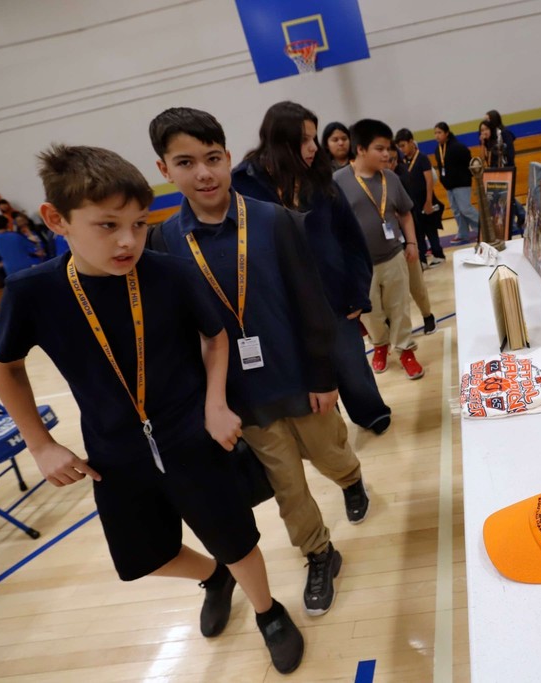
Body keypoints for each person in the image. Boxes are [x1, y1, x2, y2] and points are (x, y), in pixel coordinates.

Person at [0, 144, 305, 674]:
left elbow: (216, 338)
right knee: (146, 558)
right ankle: (212, 577)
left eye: (138, 224)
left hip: (191, 436)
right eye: (107, 225)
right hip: (113, 452)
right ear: (55, 220)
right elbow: (6, 367)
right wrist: (40, 444)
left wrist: (215, 404)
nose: (127, 241)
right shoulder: (33, 292)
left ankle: (268, 611)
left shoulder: (170, 273)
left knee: (236, 539)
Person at [149, 107, 369, 623]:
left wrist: (322, 375)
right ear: (164, 170)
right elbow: (184, 334)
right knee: (287, 485)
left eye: (212, 158)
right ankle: (319, 552)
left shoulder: (274, 221)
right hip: (246, 396)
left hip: (300, 377)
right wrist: (214, 401)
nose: (203, 173)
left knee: (328, 453)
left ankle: (351, 478)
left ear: (228, 158)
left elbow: (312, 304)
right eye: (186, 162)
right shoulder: (164, 242)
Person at [230, 101, 393, 436]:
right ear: (278, 140)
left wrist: (358, 293)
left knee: (351, 365)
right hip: (281, 308)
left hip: (334, 300)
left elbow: (351, 239)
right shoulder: (243, 185)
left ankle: (370, 413)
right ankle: (331, 437)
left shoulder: (320, 179)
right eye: (304, 139)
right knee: (310, 384)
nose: (312, 147)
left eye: (314, 138)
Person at [335, 119, 426, 379]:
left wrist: (411, 243)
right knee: (371, 312)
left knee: (400, 308)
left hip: (394, 256)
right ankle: (380, 345)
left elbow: (405, 213)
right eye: (380, 148)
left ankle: (406, 350)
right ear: (361, 149)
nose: (387, 154)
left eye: (389, 148)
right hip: (359, 265)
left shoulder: (391, 178)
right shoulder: (338, 181)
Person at [388, 141, 437, 335]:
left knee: (416, 284)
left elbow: (410, 212)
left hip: (406, 239)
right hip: (387, 245)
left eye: (392, 159)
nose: (388, 163)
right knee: (394, 292)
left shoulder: (401, 177)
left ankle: (427, 316)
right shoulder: (374, 180)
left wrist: (413, 243)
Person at [394, 128, 446, 270]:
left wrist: (428, 201)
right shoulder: (403, 161)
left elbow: (429, 181)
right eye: (400, 147)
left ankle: (439, 255)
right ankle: (422, 258)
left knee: (431, 229)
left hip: (426, 200)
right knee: (418, 232)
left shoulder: (422, 158)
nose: (402, 149)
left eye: (404, 145)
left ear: (411, 142)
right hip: (414, 203)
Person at [432, 121, 479, 245]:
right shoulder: (438, 150)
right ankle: (463, 233)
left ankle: (485, 226)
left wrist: (467, 177)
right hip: (449, 185)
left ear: (446, 133)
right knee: (456, 211)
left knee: (465, 209)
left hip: (461, 183)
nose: (437, 135)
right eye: (435, 133)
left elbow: (468, 161)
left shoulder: (458, 147)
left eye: (439, 132)